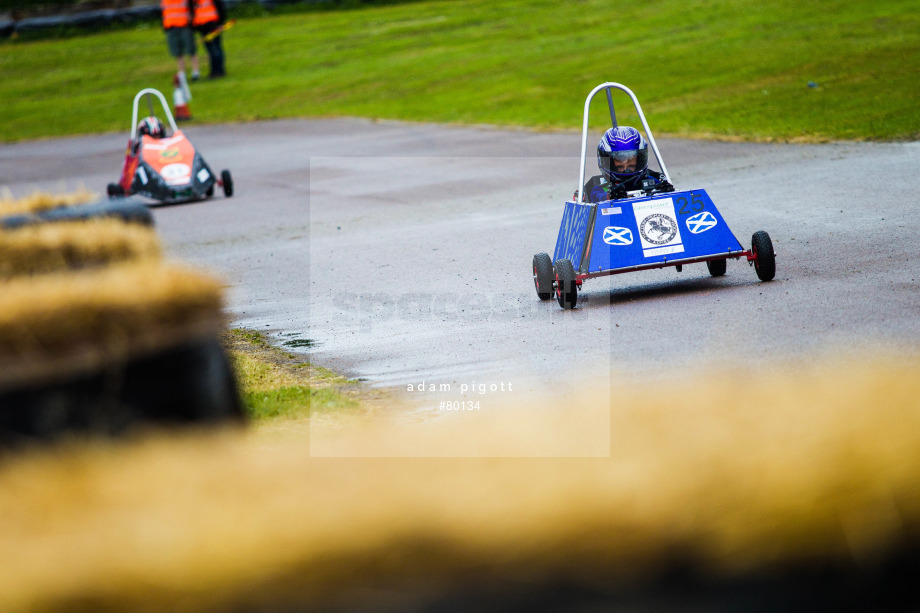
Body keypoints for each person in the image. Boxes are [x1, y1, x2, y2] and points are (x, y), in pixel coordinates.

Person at [578, 126, 673, 203]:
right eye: (620, 167)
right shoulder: (602, 188)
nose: (626, 170)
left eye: (631, 166)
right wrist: (610, 196)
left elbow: (664, 189)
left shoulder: (651, 181)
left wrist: (664, 190)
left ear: (639, 161)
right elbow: (596, 197)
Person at [161, 0, 201, 81]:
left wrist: (192, 20)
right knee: (178, 53)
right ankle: (182, 74)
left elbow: (194, 6)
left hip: (185, 26)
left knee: (191, 50)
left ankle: (195, 73)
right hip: (171, 27)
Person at [193, 0, 228, 79]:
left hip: (213, 26)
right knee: (211, 50)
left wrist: (220, 24)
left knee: (215, 49)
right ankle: (214, 71)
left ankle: (218, 71)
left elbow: (220, 6)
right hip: (203, 28)